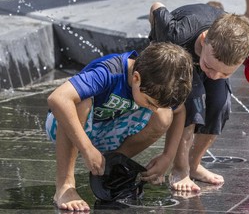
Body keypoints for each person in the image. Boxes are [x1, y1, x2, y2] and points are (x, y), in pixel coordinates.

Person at [45, 42, 193, 211]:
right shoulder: (110, 72)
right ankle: (65, 185)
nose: (151, 108)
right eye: (150, 103)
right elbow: (57, 99)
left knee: (164, 115)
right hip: (64, 127)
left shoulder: (154, 86)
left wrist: (168, 156)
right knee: (79, 101)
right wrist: (87, 148)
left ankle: (112, 164)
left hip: (105, 130)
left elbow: (179, 111)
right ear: (136, 78)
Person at [149, 2, 249, 192]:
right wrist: (156, 36)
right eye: (211, 67)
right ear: (205, 39)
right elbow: (157, 5)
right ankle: (180, 169)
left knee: (220, 105)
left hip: (207, 47)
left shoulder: (248, 42)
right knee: (193, 104)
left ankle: (194, 164)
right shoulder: (177, 34)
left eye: (225, 73)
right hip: (181, 54)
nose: (214, 76)